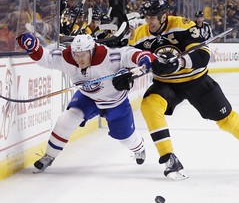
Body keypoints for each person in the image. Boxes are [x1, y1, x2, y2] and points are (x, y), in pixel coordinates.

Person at [112, 0, 239, 180]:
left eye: (154, 17)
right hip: (166, 84)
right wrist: (126, 74)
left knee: (227, 120)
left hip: (196, 80)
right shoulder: (140, 34)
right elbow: (130, 59)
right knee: (149, 105)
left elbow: (202, 55)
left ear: (164, 15)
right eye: (147, 17)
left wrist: (179, 63)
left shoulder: (182, 25)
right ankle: (169, 157)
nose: (149, 21)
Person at [16, 33, 157, 173]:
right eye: (76, 55)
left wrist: (145, 59)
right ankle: (49, 156)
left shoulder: (108, 57)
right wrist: (33, 48)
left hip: (114, 102)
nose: (79, 59)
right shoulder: (68, 58)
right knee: (66, 120)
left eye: (83, 55)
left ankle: (139, 148)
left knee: (126, 138)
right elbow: (47, 58)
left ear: (92, 51)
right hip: (88, 97)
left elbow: (130, 54)